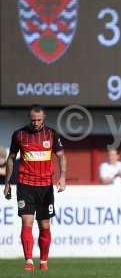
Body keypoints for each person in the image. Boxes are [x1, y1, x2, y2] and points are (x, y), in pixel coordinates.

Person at [3, 105, 67, 272]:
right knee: (26, 222)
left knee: (45, 225)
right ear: (29, 118)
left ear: (44, 117)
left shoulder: (52, 134)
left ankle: (44, 261)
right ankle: (29, 260)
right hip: (25, 185)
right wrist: (8, 182)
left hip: (45, 186)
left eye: (39, 120)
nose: (36, 123)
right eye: (33, 120)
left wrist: (62, 177)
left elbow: (61, 157)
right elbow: (10, 158)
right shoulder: (19, 134)